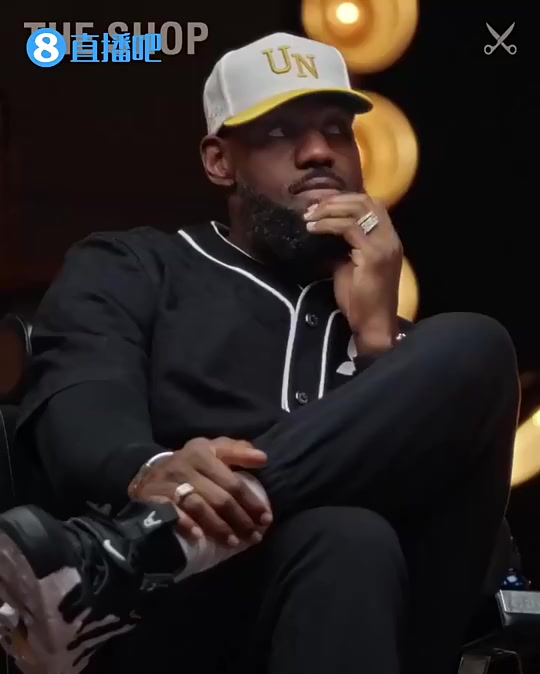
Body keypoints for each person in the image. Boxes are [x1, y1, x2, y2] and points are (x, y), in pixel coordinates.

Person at [0, 31, 519, 674]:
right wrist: (152, 468)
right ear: (220, 161)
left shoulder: (418, 358)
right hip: (176, 630)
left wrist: (377, 341)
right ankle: (137, 552)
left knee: (476, 342)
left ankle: (136, 547)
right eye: (279, 132)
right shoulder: (136, 265)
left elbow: (476, 554)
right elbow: (80, 409)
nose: (318, 152)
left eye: (337, 131)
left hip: (385, 624)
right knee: (344, 537)